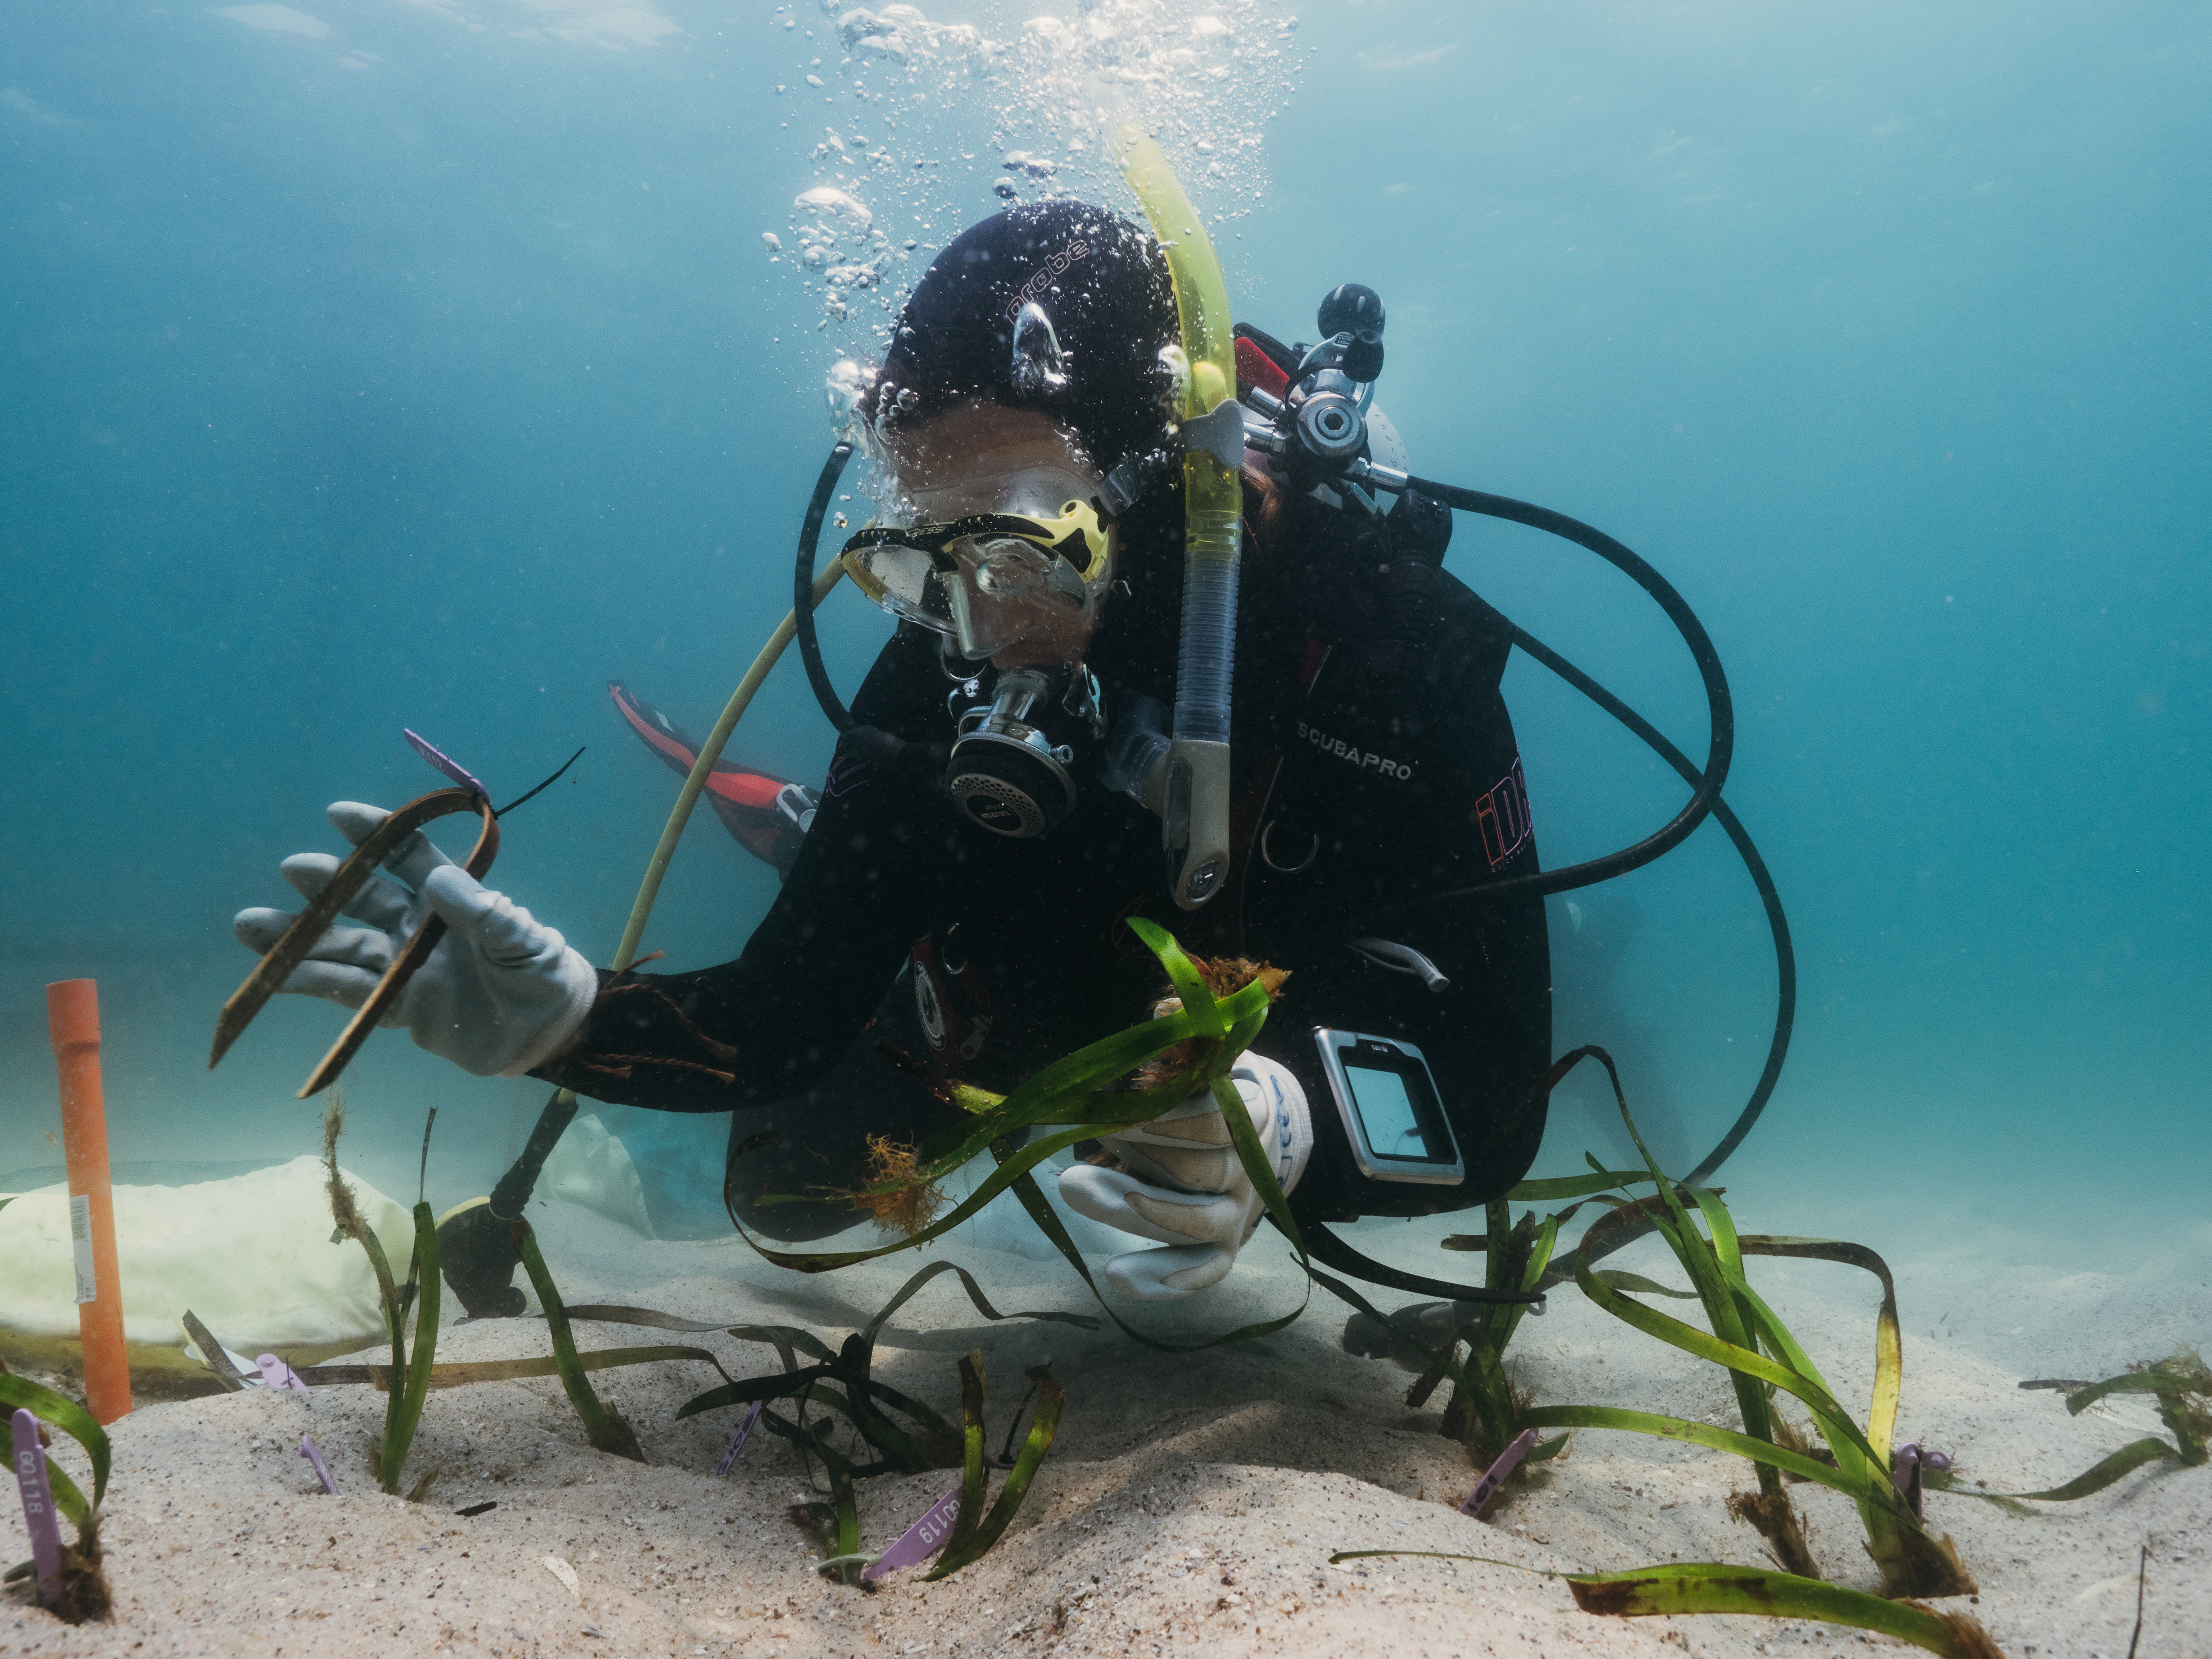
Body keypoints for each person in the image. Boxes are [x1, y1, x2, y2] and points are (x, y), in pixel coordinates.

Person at [232, 198, 1553, 1307]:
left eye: (1025, 544)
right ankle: (831, 836)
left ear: (1165, 483)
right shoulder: (946, 660)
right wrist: (574, 1023)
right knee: (791, 1196)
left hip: (1291, 1013)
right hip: (1009, 983)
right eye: (931, 558)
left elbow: (1500, 1097)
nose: (981, 626)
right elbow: (784, 1016)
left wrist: (1295, 1120)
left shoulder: (1394, 655)